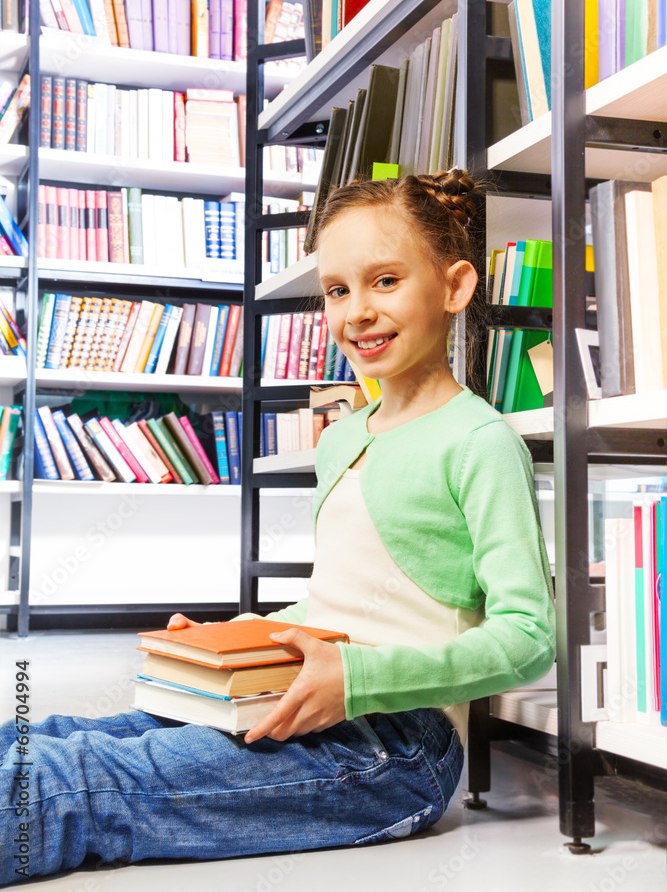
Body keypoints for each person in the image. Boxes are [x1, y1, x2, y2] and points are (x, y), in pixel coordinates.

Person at [0, 170, 556, 886]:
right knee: (43, 737)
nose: (356, 311)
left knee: (63, 783)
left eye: (384, 281)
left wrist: (356, 677)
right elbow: (338, 605)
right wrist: (234, 640)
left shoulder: (479, 441)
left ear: (453, 288)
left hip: (399, 747)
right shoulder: (341, 437)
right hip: (291, 697)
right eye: (337, 290)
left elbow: (526, 638)